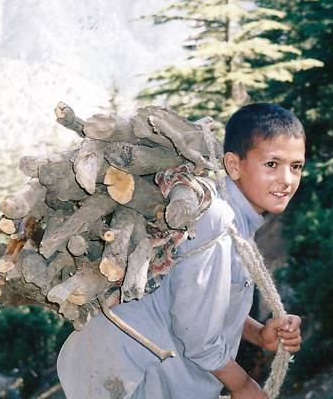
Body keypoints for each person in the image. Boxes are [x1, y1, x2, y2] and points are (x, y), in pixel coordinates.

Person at [57, 102, 306, 399]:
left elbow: (205, 304)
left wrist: (259, 334)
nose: (287, 179)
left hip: (125, 368)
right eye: (271, 164)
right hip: (134, 376)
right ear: (233, 164)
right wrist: (243, 386)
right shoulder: (217, 219)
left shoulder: (235, 220)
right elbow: (196, 333)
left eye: (296, 166)